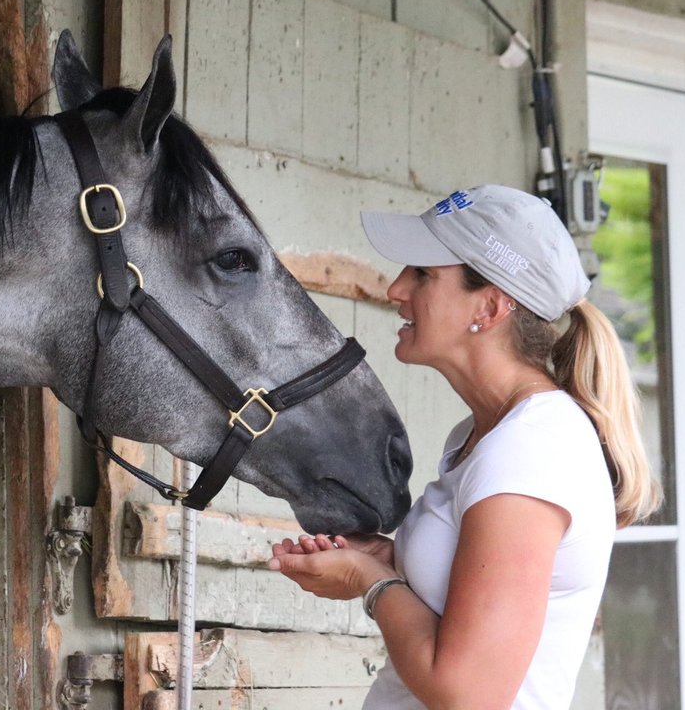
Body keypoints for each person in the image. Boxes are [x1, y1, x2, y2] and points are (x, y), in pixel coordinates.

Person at [267, 185, 661, 710]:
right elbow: (466, 588)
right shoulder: (485, 437)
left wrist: (371, 582)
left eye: (424, 274)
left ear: (491, 306)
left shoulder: (532, 449)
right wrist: (388, 559)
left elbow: (468, 692)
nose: (396, 289)